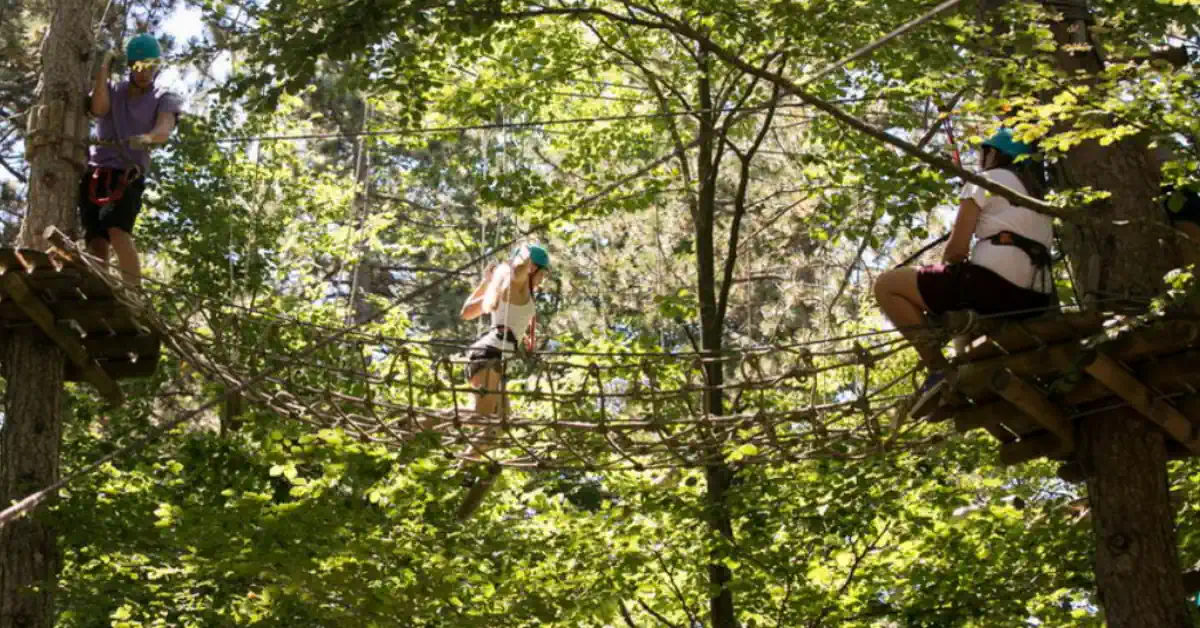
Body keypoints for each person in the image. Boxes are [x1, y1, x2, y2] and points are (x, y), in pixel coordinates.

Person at [874, 128, 1054, 419]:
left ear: (994, 153)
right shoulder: (1038, 195)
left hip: (991, 288)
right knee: (963, 323)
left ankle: (938, 371)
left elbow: (956, 250)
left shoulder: (986, 179)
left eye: (984, 153)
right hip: (1035, 299)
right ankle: (961, 373)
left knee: (887, 285)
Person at [454, 244, 550, 520]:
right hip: (489, 355)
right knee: (483, 422)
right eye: (542, 273)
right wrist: (524, 255)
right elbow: (519, 270)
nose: (543, 280)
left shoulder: (505, 287)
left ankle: (463, 468)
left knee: (499, 426)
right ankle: (457, 470)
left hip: (493, 357)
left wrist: (486, 283)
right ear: (533, 269)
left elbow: (467, 312)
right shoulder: (517, 283)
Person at [81, 33, 183, 285]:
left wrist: (146, 139)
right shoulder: (114, 91)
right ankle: (99, 289)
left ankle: (133, 294)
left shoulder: (164, 97)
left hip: (127, 174)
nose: (146, 72)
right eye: (139, 66)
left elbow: (163, 130)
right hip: (97, 171)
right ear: (129, 67)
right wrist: (104, 68)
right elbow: (98, 109)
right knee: (95, 239)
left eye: (152, 66)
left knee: (117, 230)